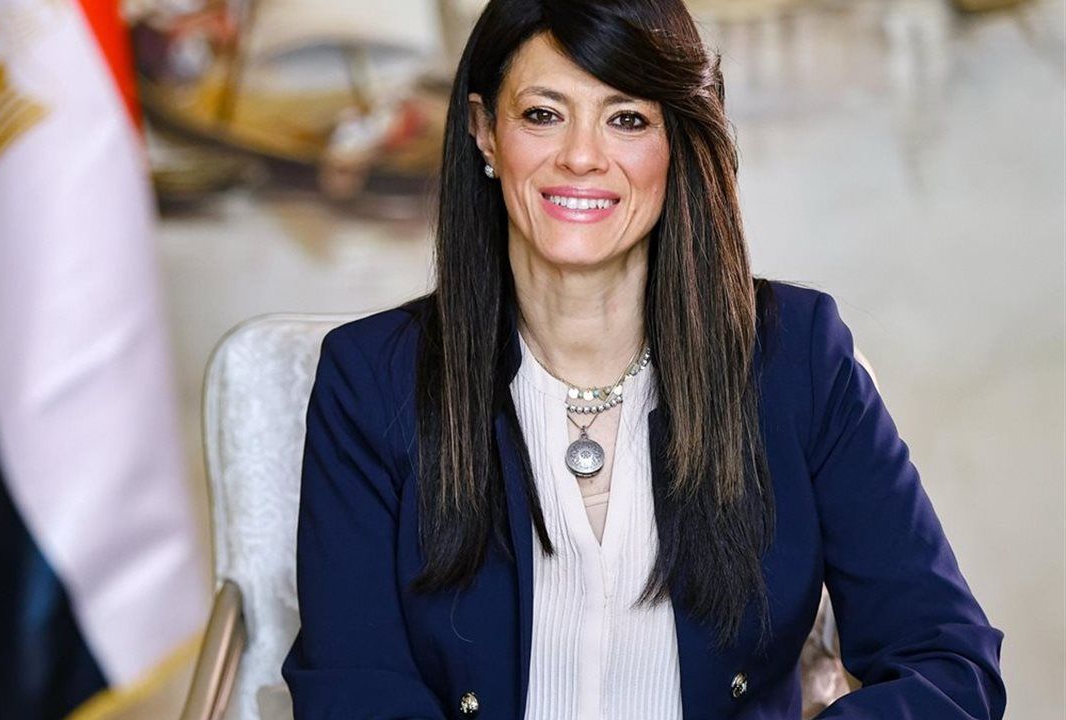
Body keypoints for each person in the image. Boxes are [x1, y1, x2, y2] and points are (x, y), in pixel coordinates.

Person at [281, 0, 1005, 717]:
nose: (582, 156)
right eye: (543, 114)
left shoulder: (799, 358)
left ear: (677, 141)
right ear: (485, 133)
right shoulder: (371, 379)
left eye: (627, 119)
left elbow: (947, 662)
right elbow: (355, 690)